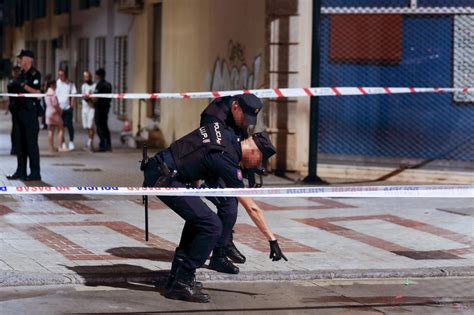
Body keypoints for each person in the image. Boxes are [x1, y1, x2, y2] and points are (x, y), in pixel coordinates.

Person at [143, 122, 286, 303]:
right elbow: (252, 207)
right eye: (259, 161)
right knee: (212, 226)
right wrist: (272, 240)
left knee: (200, 220)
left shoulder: (226, 135)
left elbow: (194, 152)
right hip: (165, 178)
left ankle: (176, 277)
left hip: (164, 170)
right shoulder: (228, 160)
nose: (257, 165)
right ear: (254, 151)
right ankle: (182, 281)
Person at [200, 94, 263, 272]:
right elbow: (214, 151)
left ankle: (225, 242)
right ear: (236, 108)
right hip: (211, 163)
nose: (246, 123)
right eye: (245, 118)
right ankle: (219, 255)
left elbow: (240, 141)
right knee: (229, 206)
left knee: (230, 207)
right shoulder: (213, 116)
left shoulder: (240, 111)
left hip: (226, 162)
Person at [6, 50, 42, 181]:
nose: (20, 60)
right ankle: (20, 171)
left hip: (30, 113)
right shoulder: (20, 74)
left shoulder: (35, 74)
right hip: (18, 112)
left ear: (27, 59)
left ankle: (35, 173)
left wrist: (24, 86)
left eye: (21, 58)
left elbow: (37, 93)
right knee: (19, 143)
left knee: (31, 144)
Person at [56, 68, 77, 151]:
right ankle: (63, 142)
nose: (60, 76)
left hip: (67, 107)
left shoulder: (70, 84)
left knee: (69, 125)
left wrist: (72, 104)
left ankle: (71, 141)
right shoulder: (57, 83)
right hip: (59, 108)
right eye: (59, 75)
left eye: (62, 75)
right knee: (61, 126)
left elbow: (74, 94)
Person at [92, 68, 112, 152]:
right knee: (105, 127)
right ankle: (108, 145)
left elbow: (95, 98)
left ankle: (103, 145)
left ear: (98, 76)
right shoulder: (108, 84)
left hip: (99, 108)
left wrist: (90, 98)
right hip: (106, 108)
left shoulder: (99, 85)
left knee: (100, 127)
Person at [44, 80, 65, 152]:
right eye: (55, 85)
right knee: (61, 128)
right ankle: (60, 146)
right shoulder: (52, 93)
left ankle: (51, 147)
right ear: (53, 85)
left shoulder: (47, 92)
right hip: (54, 112)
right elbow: (55, 104)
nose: (56, 86)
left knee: (51, 130)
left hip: (48, 112)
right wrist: (60, 110)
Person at [7, 65, 22, 155]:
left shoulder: (17, 82)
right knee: (16, 128)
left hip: (20, 107)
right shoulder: (12, 83)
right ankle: (15, 148)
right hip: (15, 107)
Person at [81, 71, 96, 151]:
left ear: (91, 77)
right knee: (86, 126)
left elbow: (95, 98)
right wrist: (87, 98)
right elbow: (83, 96)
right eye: (85, 77)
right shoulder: (83, 86)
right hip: (84, 108)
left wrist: (90, 99)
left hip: (91, 108)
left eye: (87, 76)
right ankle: (89, 141)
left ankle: (90, 143)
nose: (86, 78)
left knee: (91, 126)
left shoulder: (94, 86)